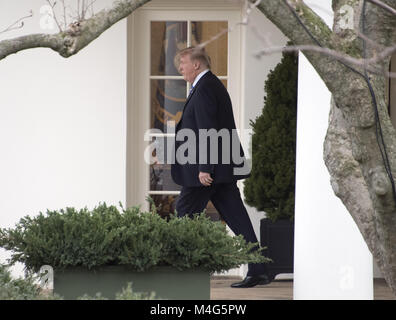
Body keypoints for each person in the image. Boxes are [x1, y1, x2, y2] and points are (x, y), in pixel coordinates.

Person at [170, 46, 270, 288]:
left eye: (182, 63)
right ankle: (258, 269)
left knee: (183, 210)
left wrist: (205, 168)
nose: (180, 68)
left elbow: (208, 130)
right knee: (237, 217)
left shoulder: (205, 88)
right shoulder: (209, 85)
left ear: (197, 64)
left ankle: (188, 270)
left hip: (208, 172)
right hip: (220, 169)